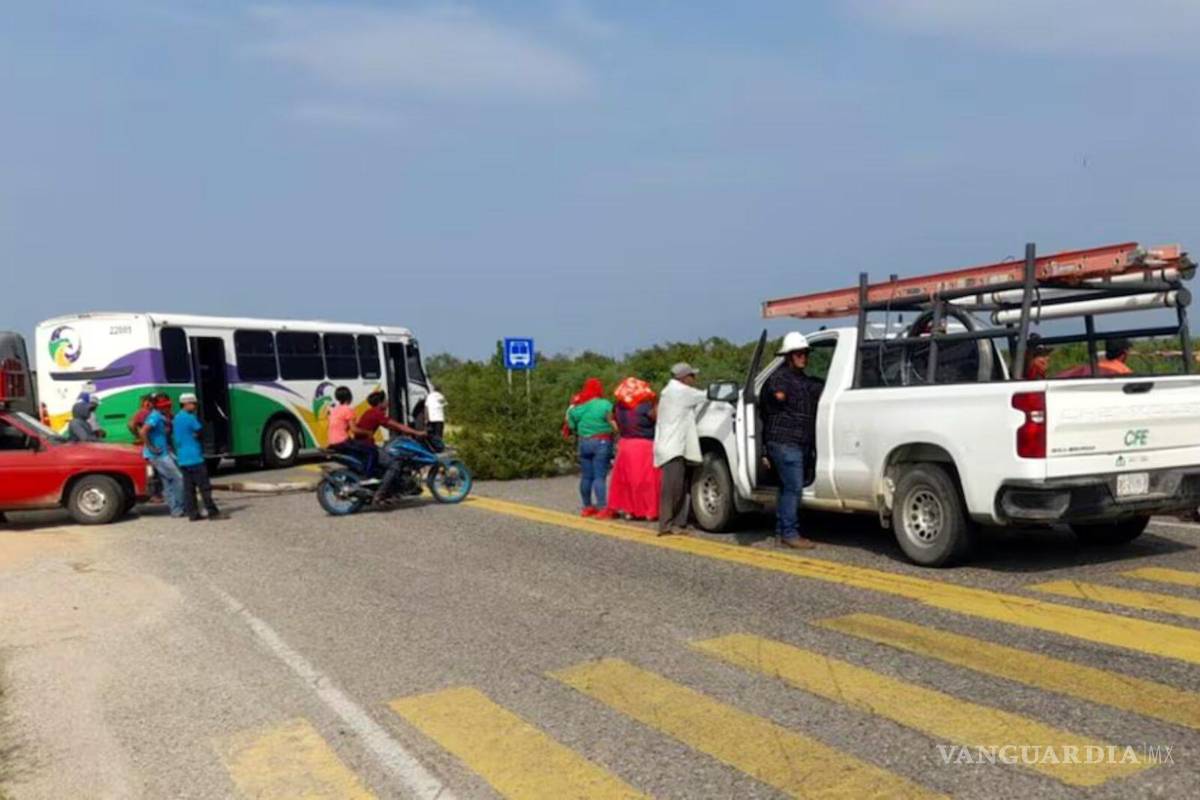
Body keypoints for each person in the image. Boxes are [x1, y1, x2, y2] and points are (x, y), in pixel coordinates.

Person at [761, 332, 823, 549]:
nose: (803, 357)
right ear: (789, 356)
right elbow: (776, 396)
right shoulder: (779, 378)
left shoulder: (806, 381)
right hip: (785, 442)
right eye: (798, 354)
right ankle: (789, 533)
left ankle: (781, 532)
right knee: (793, 488)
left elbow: (816, 389)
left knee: (786, 487)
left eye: (805, 353)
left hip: (799, 443)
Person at [653, 363, 707, 536]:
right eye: (692, 376)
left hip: (671, 446)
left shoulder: (670, 391)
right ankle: (666, 525)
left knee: (677, 487)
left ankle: (675, 523)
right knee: (673, 489)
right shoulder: (681, 392)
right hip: (673, 448)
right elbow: (707, 395)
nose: (694, 379)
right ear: (684, 378)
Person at [354, 390, 427, 504]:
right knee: (395, 463)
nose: (387, 402)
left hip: (363, 446)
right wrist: (418, 433)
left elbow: (393, 427)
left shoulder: (370, 412)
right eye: (385, 400)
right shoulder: (376, 413)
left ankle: (389, 489)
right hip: (367, 447)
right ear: (380, 403)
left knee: (387, 455)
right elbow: (396, 426)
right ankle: (380, 494)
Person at [608, 377, 660, 521]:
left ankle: (629, 511)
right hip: (644, 446)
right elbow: (658, 418)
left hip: (625, 445)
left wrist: (619, 431)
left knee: (627, 481)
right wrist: (655, 402)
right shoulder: (645, 406)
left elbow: (611, 419)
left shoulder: (619, 406)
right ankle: (648, 511)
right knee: (647, 481)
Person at [567, 378, 618, 518]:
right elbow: (611, 420)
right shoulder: (605, 404)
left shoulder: (580, 406)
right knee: (599, 477)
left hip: (584, 442)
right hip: (601, 441)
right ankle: (602, 508)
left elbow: (571, 424)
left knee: (586, 477)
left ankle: (587, 507)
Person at [173, 393, 222, 521]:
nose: (195, 406)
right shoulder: (190, 418)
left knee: (189, 489)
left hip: (183, 459)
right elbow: (200, 432)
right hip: (195, 457)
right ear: (186, 404)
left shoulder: (177, 418)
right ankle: (213, 512)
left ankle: (193, 514)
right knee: (204, 487)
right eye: (193, 403)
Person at [140, 395, 185, 518]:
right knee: (178, 478)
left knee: (168, 482)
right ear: (161, 407)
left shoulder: (160, 416)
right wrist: (151, 447)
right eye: (166, 406)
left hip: (162, 453)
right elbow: (143, 431)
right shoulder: (155, 416)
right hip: (158, 454)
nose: (169, 408)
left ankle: (176, 510)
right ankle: (180, 506)